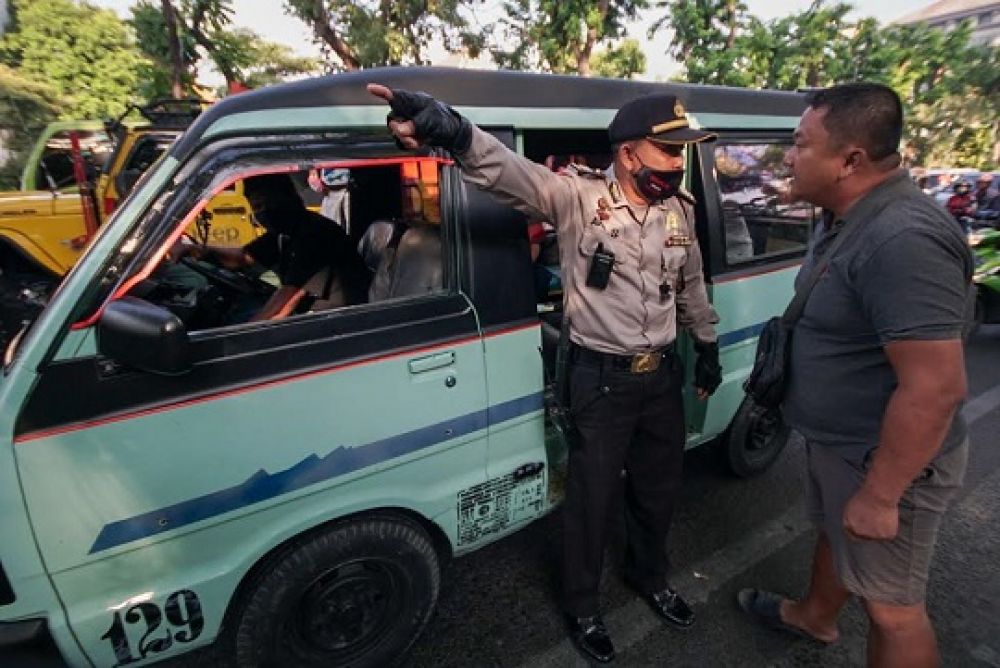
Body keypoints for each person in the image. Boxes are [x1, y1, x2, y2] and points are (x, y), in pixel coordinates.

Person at [368, 82, 722, 663]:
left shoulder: (677, 212)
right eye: (669, 153)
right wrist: (451, 129)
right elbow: (506, 172)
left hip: (660, 377)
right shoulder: (577, 198)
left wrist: (705, 343)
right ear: (630, 153)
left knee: (658, 492)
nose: (677, 165)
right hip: (600, 380)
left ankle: (651, 578)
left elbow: (690, 286)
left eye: (681, 154)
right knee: (592, 502)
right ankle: (584, 608)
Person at [737, 83, 973, 668]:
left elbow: (935, 386)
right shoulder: (847, 216)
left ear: (849, 161)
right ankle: (813, 618)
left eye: (799, 145)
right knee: (836, 538)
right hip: (844, 445)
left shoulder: (903, 238)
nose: (787, 158)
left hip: (884, 461)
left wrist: (881, 494)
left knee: (891, 609)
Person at [173, 172, 370, 320]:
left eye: (265, 204)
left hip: (332, 320)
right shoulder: (284, 233)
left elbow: (287, 301)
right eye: (257, 207)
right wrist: (196, 249)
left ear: (287, 198)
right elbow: (243, 258)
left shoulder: (313, 234)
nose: (263, 212)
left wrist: (243, 334)